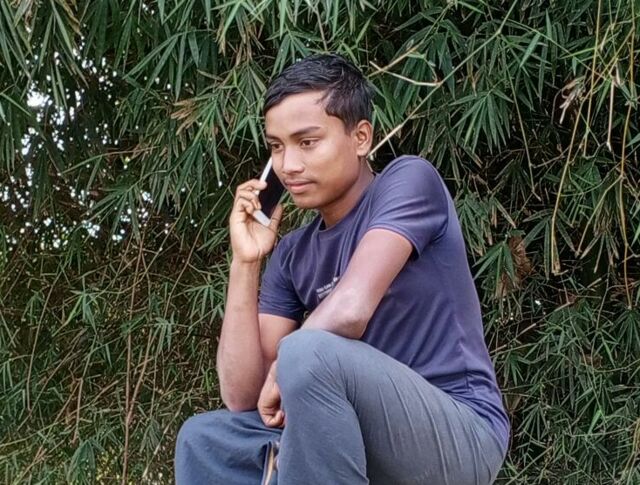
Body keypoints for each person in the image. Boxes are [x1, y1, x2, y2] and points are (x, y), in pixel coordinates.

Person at [175, 53, 509, 484]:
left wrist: (288, 365)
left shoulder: (408, 182)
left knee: (306, 353)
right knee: (204, 439)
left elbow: (351, 308)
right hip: (354, 438)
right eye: (277, 147)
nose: (288, 165)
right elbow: (242, 396)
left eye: (307, 142)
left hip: (459, 435)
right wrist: (246, 262)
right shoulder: (293, 253)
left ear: (361, 137)